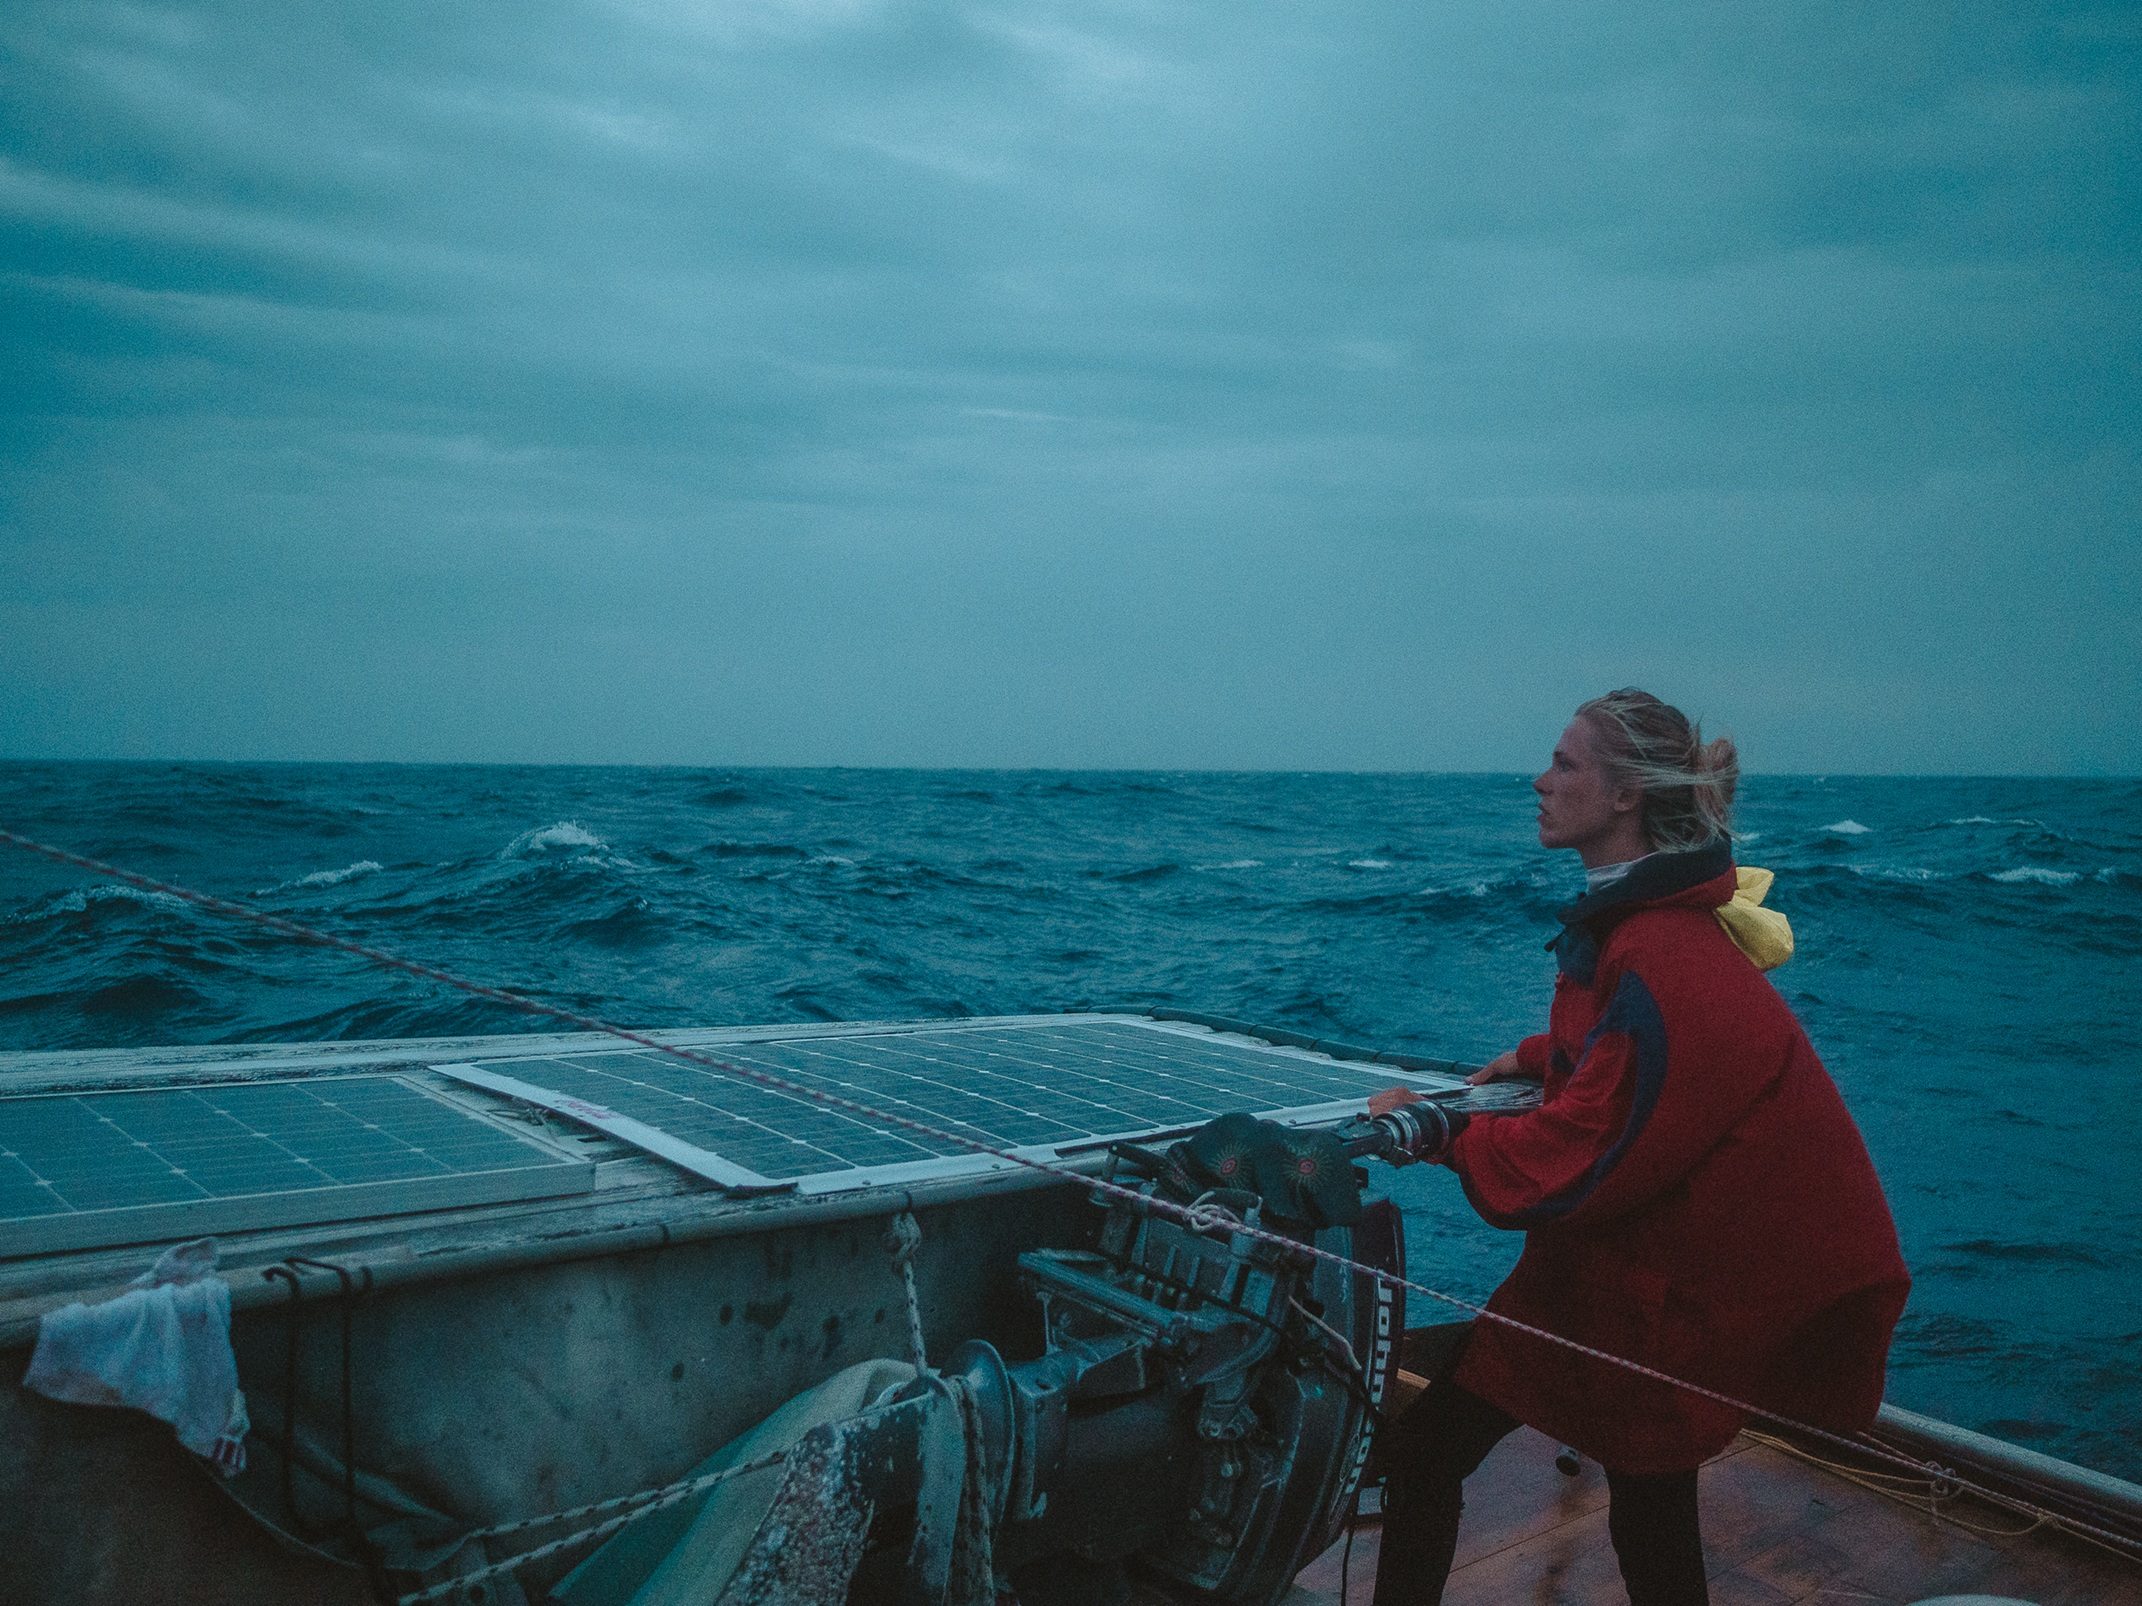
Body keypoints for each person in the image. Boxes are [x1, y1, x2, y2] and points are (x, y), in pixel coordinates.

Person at [1366, 689, 1910, 1606]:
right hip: (1623, 1275)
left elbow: (1586, 1154)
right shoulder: (1648, 928)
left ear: (1624, 796)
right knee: (1616, 1502)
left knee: (1532, 1481)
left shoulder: (1661, 949)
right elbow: (1628, 1055)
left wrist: (1437, 1129)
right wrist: (1540, 1055)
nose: (1540, 783)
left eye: (1564, 764)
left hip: (1660, 1289)